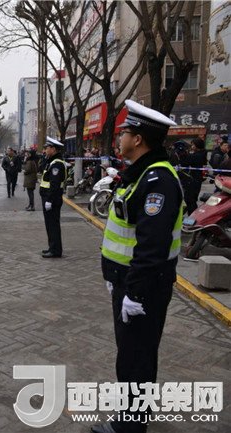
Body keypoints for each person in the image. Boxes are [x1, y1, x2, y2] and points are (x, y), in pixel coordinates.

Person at [92, 100, 182, 433]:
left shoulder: (158, 180)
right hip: (128, 281)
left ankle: (130, 426)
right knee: (130, 355)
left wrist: (136, 294)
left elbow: (152, 246)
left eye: (124, 133)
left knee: (137, 358)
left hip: (143, 287)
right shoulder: (141, 174)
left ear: (139, 139)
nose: (120, 138)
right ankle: (130, 419)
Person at [39, 137, 67, 258]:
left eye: (47, 148)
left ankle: (55, 250)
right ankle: (52, 247)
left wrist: (49, 200)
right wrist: (45, 158)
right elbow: (41, 169)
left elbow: (54, 185)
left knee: (52, 225)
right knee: (49, 225)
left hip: (52, 199)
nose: (45, 150)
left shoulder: (57, 164)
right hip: (48, 197)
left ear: (53, 149)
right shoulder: (51, 162)